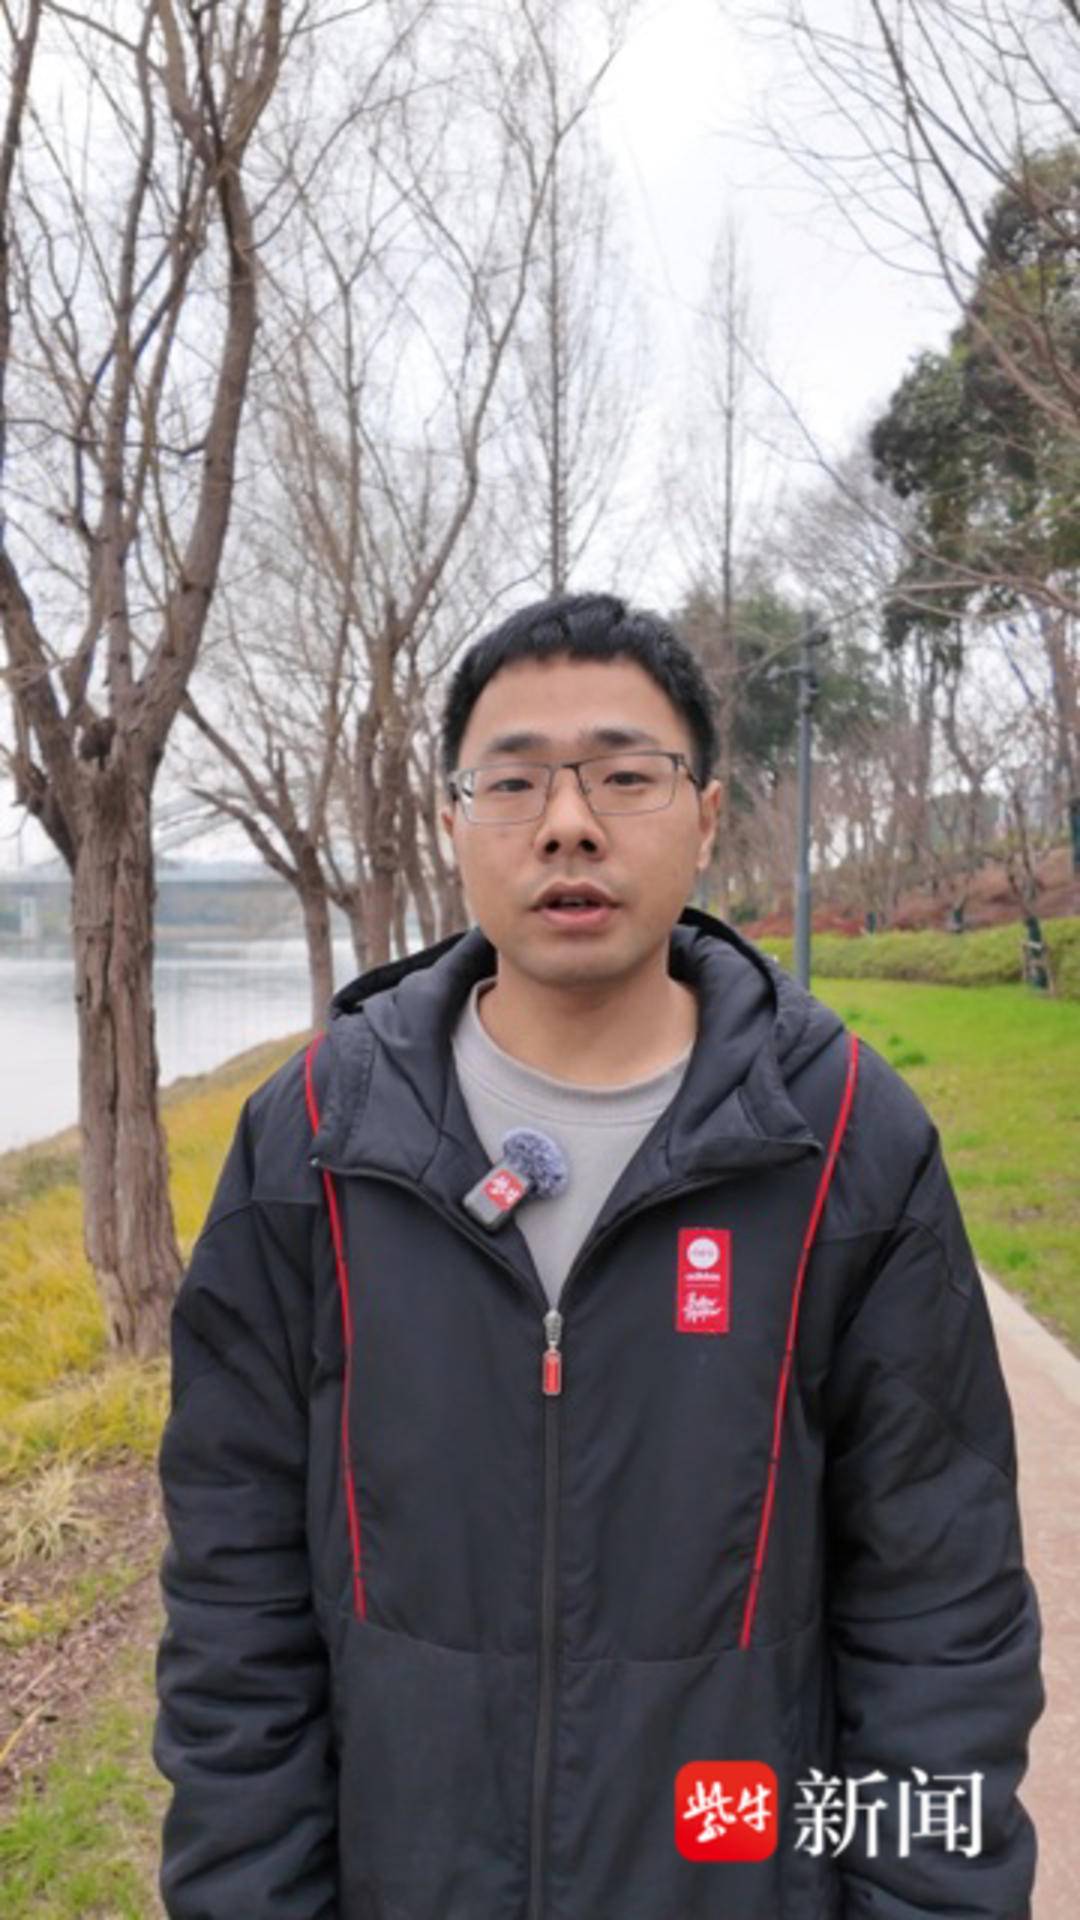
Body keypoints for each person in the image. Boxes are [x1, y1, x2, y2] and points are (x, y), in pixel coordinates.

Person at [154, 591, 1044, 1920]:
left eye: (626, 775)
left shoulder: (847, 1138)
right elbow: (236, 1605)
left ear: (707, 815)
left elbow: (943, 1618)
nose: (568, 823)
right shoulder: (319, 1137)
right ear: (452, 821)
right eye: (514, 781)